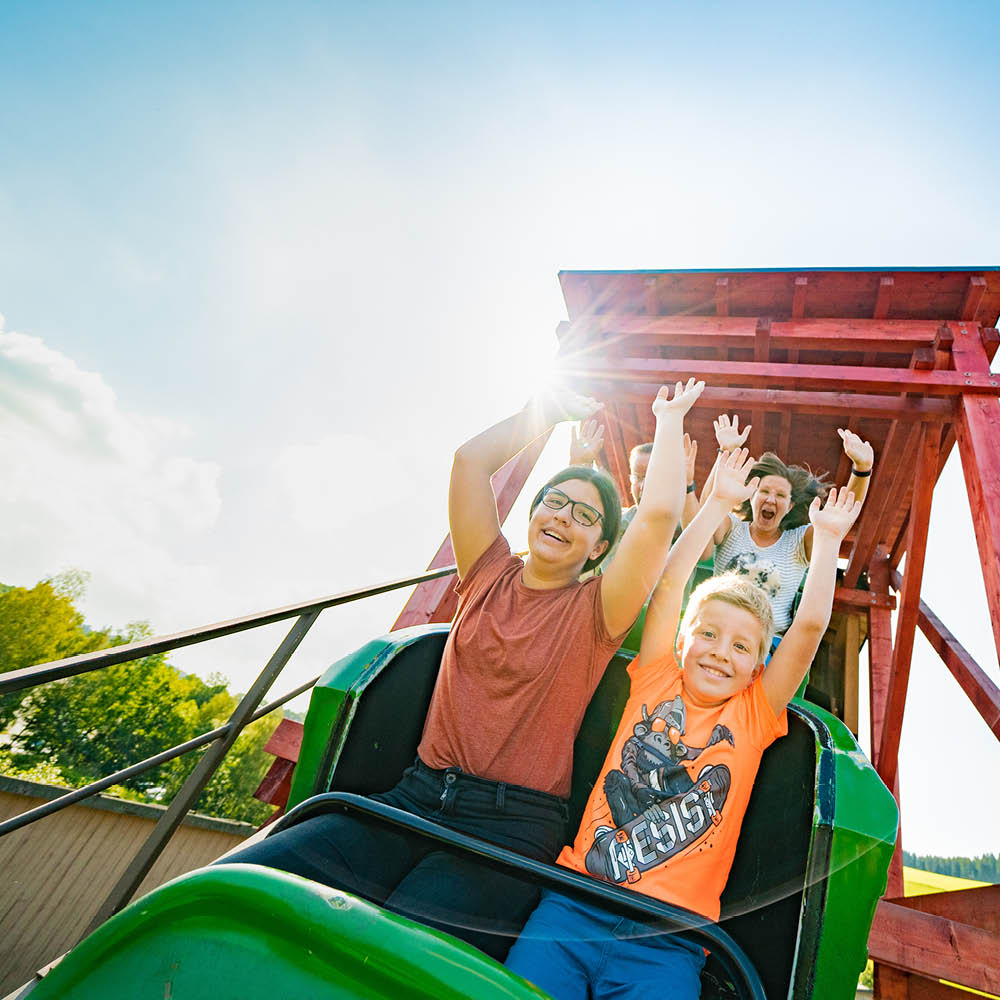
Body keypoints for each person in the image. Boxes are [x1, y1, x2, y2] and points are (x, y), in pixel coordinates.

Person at [219, 378, 705, 960]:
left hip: (510, 826)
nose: (563, 516)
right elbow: (469, 463)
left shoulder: (596, 612)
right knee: (245, 884)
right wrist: (541, 414)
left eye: (584, 515)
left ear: (600, 547)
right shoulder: (486, 572)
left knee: (388, 952)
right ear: (533, 512)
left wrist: (671, 420)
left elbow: (654, 521)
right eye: (554, 501)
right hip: (416, 794)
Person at [504, 449, 863, 1000]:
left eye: (742, 646)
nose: (721, 653)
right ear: (682, 640)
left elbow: (810, 625)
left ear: (758, 666)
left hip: (666, 939)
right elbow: (670, 583)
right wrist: (717, 502)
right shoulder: (653, 681)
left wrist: (830, 541)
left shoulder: (752, 713)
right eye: (709, 635)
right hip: (572, 908)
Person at [702, 414, 874, 637]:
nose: (771, 499)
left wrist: (862, 470)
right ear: (751, 497)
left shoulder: (797, 543)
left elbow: (838, 519)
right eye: (764, 492)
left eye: (780, 495)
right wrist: (724, 452)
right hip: (715, 627)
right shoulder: (732, 528)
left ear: (790, 506)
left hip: (766, 642)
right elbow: (706, 511)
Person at [570, 422, 700, 576]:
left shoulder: (683, 521)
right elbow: (577, 520)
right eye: (638, 477)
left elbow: (701, 546)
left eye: (652, 477)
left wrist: (687, 485)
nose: (644, 486)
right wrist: (580, 465)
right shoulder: (616, 523)